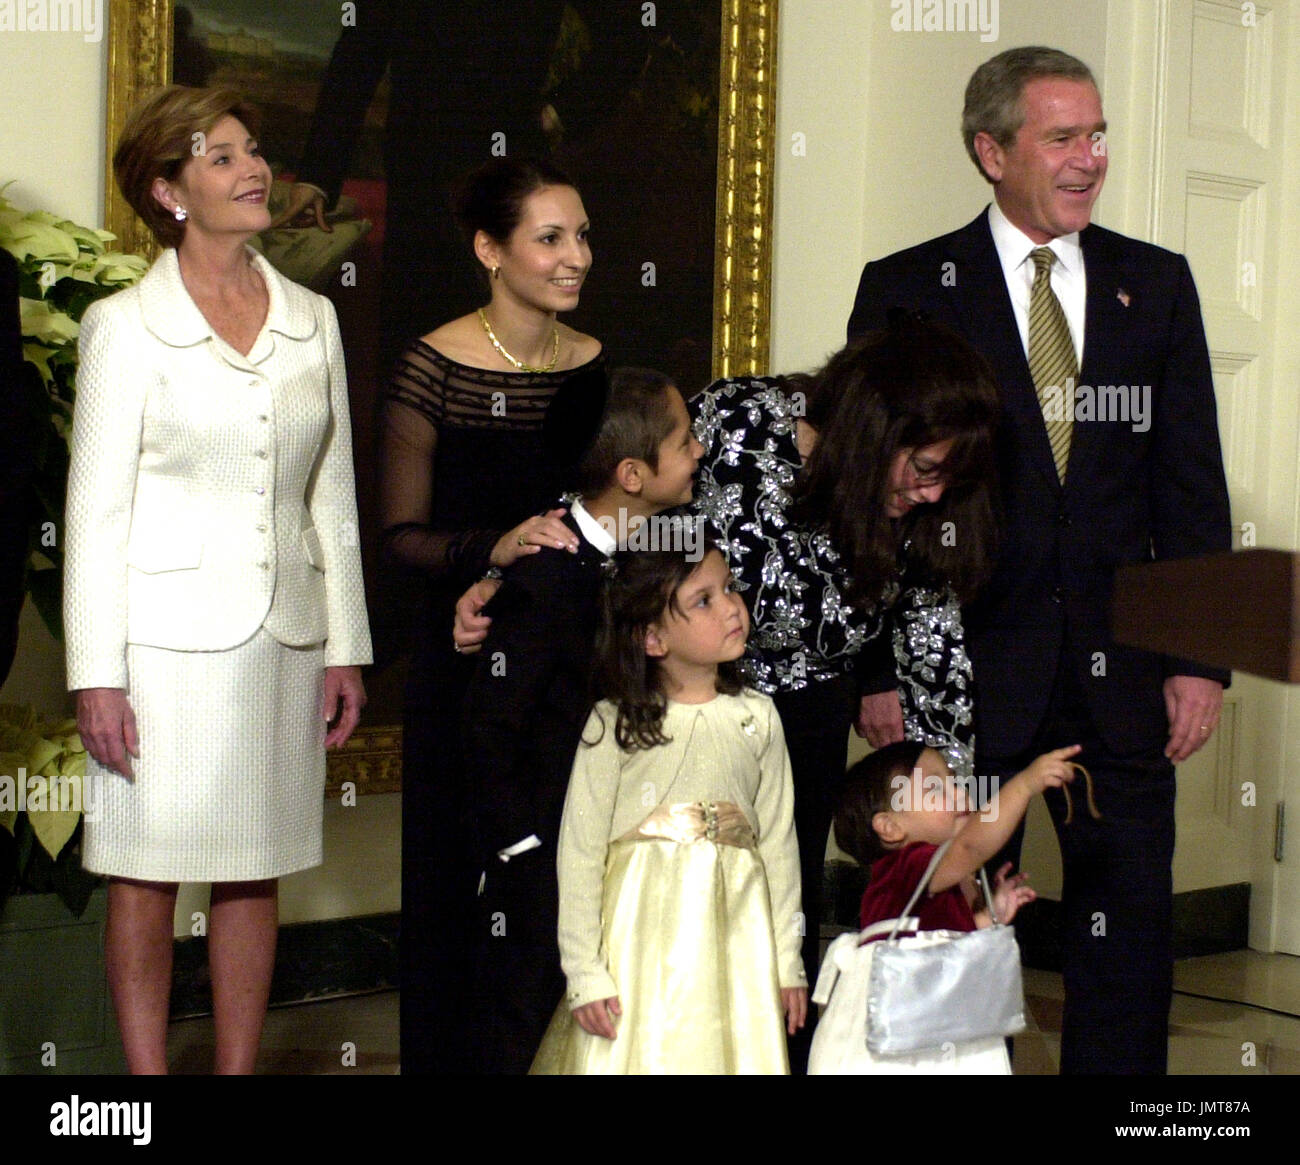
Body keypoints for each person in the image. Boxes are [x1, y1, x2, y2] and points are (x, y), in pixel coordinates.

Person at [846, 46, 1232, 1074]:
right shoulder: (906, 290)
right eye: (1061, 136)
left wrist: (1199, 658)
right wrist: (878, 670)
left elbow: (1190, 485)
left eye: (1095, 134)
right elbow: (867, 500)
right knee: (953, 924)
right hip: (964, 676)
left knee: (1130, 930)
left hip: (1127, 670)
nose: (1088, 158)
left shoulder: (1154, 285)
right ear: (990, 149)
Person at [64, 85, 372, 1074]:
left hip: (285, 636)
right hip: (156, 647)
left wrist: (348, 646)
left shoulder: (312, 318)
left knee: (255, 868)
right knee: (144, 874)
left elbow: (333, 498)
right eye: (223, 155)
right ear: (169, 189)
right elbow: (96, 516)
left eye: (254, 150)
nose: (253, 169)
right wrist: (92, 673)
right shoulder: (122, 325)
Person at [688, 318, 1001, 1065]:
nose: (932, 493)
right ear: (872, 430)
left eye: (948, 478)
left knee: (782, 916)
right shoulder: (740, 426)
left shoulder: (925, 511)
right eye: (923, 466)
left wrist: (951, 809)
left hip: (807, 716)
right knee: (700, 910)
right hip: (699, 706)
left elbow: (933, 645)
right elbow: (769, 607)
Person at [380, 156, 602, 1074]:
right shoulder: (431, 367)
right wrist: (488, 558)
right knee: (452, 885)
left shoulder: (595, 364)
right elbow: (398, 535)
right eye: (551, 237)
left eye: (582, 234)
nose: (576, 256)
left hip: (572, 669)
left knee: (561, 878)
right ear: (489, 248)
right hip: (464, 658)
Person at [462, 365, 703, 1074]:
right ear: (633, 473)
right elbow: (491, 725)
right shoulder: (545, 572)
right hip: (544, 852)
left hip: (615, 841)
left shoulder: (656, 551)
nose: (698, 453)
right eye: (685, 440)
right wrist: (524, 846)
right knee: (527, 1017)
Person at [532, 545, 806, 1074]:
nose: (731, 608)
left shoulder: (759, 717)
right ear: (652, 638)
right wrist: (585, 971)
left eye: (729, 588)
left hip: (737, 936)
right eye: (703, 601)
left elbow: (778, 843)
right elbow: (581, 852)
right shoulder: (613, 723)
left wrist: (787, 961)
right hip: (640, 939)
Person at [809, 739, 1079, 1074]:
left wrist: (986, 917)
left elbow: (944, 941)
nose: (957, 791)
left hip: (940, 1017)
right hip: (903, 1032)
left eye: (954, 781)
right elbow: (970, 847)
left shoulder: (942, 877)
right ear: (891, 828)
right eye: (936, 787)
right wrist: (1024, 785)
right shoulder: (908, 864)